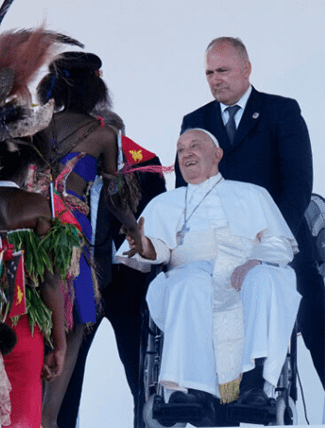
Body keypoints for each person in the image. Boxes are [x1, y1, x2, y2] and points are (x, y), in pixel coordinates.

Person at [119, 129, 301, 419]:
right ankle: (188, 390)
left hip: (248, 270)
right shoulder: (164, 204)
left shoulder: (253, 194)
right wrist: (144, 245)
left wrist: (254, 261)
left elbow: (280, 244)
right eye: (180, 149)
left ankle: (254, 388)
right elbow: (155, 252)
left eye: (194, 146)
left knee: (266, 279)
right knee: (190, 282)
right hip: (191, 271)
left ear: (217, 154)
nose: (186, 153)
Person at [179, 36, 324, 389]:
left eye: (223, 70)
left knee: (317, 322)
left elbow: (298, 186)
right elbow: (185, 193)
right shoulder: (196, 121)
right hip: (215, 246)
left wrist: (270, 243)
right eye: (210, 73)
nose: (216, 79)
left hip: (283, 239)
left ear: (246, 69)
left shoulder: (281, 112)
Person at [34, 51, 143, 428]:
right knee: (76, 320)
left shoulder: (37, 125)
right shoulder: (102, 133)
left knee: (34, 327)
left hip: (31, 235)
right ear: (95, 84)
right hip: (72, 238)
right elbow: (114, 197)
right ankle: (48, 420)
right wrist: (133, 228)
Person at [0, 140, 68, 427]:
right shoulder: (40, 207)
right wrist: (59, 344)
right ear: (26, 169)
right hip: (24, 325)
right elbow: (50, 280)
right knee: (22, 418)